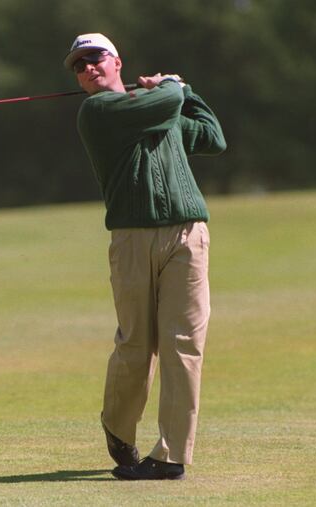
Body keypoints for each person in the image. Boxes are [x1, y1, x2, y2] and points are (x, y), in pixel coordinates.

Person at [63, 33, 227, 480]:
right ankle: (118, 427)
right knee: (137, 345)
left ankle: (171, 456)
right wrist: (175, 85)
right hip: (132, 239)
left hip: (187, 235)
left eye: (95, 58)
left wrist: (186, 93)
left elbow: (213, 137)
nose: (88, 68)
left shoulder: (158, 107)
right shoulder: (97, 111)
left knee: (183, 344)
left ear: (116, 61)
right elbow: (166, 101)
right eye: (79, 66)